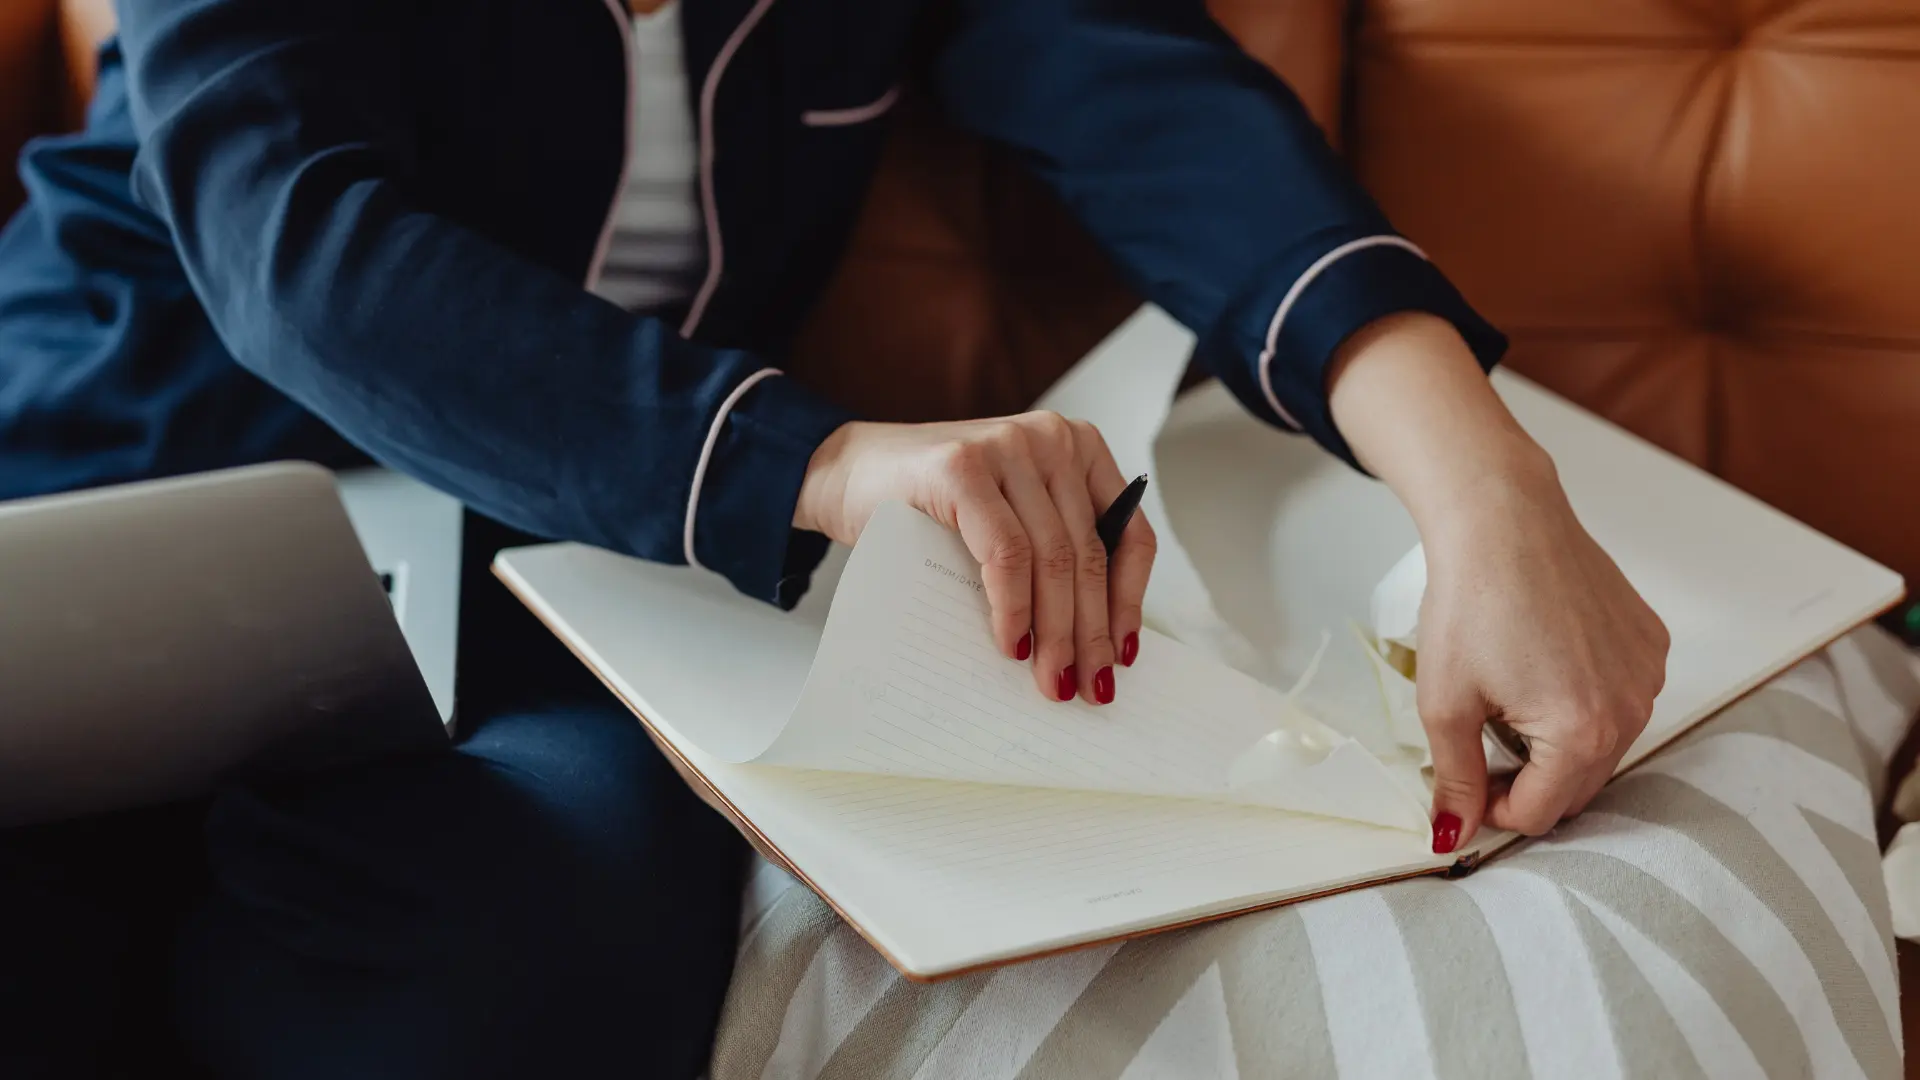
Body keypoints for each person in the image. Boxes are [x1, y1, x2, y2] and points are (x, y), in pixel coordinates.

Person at [0, 0, 1669, 1075]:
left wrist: (1486, 494)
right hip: (124, 480)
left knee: (555, 964)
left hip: (569, 563)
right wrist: (819, 463)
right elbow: (294, 246)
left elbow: (1171, 121)